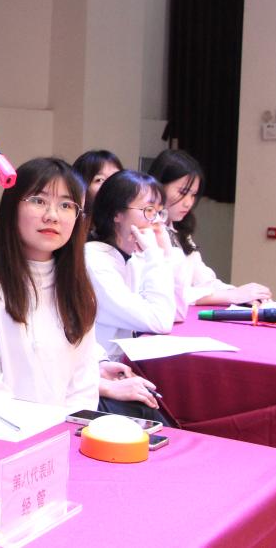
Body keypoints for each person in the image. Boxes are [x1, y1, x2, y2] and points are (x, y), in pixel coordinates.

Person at [0, 157, 99, 410]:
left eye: (66, 205)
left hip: (63, 430)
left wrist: (65, 429)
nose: (52, 216)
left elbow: (83, 389)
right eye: (39, 201)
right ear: (12, 207)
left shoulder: (78, 290)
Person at [85, 169, 180, 424]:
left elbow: (177, 311)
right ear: (117, 213)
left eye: (159, 212)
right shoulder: (95, 260)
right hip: (96, 378)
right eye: (148, 210)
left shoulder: (131, 257)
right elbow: (161, 320)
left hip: (119, 370)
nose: (156, 221)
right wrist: (154, 256)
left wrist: (164, 252)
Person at [148, 148, 272, 306]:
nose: (188, 203)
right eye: (183, 192)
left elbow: (204, 280)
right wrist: (231, 296)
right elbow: (169, 291)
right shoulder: (144, 231)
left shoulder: (180, 230)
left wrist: (243, 294)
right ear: (158, 187)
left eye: (193, 195)